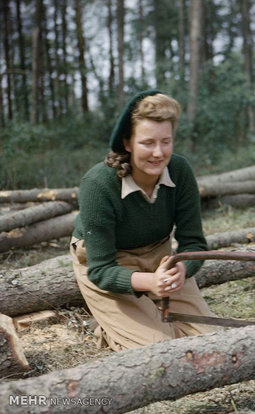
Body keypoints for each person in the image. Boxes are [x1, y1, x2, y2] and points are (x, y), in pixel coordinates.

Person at [70, 89, 217, 351]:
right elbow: (100, 269)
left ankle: (145, 310)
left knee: (211, 339)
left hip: (160, 256)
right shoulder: (98, 185)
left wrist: (181, 270)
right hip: (111, 262)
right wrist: (151, 283)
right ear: (127, 143)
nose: (158, 153)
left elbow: (193, 242)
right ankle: (109, 325)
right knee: (158, 349)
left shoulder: (180, 171)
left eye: (166, 142)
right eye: (147, 143)